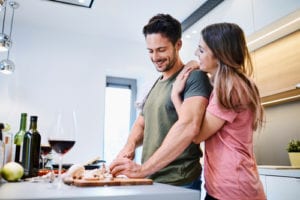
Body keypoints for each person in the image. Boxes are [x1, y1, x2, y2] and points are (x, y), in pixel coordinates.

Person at [109, 13, 212, 190]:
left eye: (161, 49)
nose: (155, 57)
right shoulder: (155, 84)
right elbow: (141, 124)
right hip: (152, 180)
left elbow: (189, 126)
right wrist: (129, 146)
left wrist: (142, 170)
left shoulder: (193, 77)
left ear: (178, 45)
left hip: (180, 181)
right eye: (150, 51)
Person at [171, 22, 266, 200]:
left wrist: (176, 95)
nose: (195, 54)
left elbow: (195, 134)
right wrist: (199, 65)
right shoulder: (236, 83)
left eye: (201, 50)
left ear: (219, 55)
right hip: (231, 186)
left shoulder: (231, 89)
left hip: (232, 190)